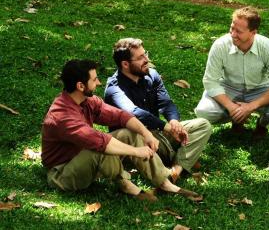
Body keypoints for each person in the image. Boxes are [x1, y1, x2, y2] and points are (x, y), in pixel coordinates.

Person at [42, 59, 203, 202]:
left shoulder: (87, 101)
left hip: (83, 158)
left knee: (129, 132)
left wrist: (146, 133)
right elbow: (100, 142)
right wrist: (136, 151)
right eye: (94, 79)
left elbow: (120, 116)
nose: (98, 82)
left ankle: (164, 183)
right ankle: (126, 186)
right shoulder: (62, 115)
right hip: (62, 173)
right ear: (80, 86)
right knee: (100, 147)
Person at [104, 38, 212, 183]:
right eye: (140, 57)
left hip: (159, 135)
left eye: (145, 54)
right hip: (137, 141)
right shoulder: (114, 88)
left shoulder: (152, 75)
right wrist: (166, 127)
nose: (147, 59)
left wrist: (174, 122)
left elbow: (166, 103)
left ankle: (177, 169)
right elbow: (133, 112)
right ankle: (177, 157)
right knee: (135, 135)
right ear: (125, 64)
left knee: (203, 125)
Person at [194, 6, 269, 139]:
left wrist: (251, 107)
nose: (233, 34)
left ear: (253, 32)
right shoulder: (220, 45)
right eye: (232, 28)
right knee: (204, 112)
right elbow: (210, 81)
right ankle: (236, 119)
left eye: (238, 31)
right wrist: (232, 107)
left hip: (260, 89)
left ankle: (262, 123)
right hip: (229, 88)